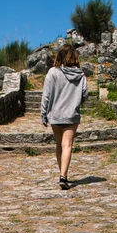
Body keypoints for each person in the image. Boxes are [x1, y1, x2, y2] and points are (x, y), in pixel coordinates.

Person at [41, 45, 88, 190]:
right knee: (67, 145)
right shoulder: (80, 75)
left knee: (59, 144)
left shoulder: (52, 72)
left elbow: (46, 95)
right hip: (71, 115)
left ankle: (62, 173)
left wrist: (43, 114)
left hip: (55, 114)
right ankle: (63, 175)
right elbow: (85, 95)